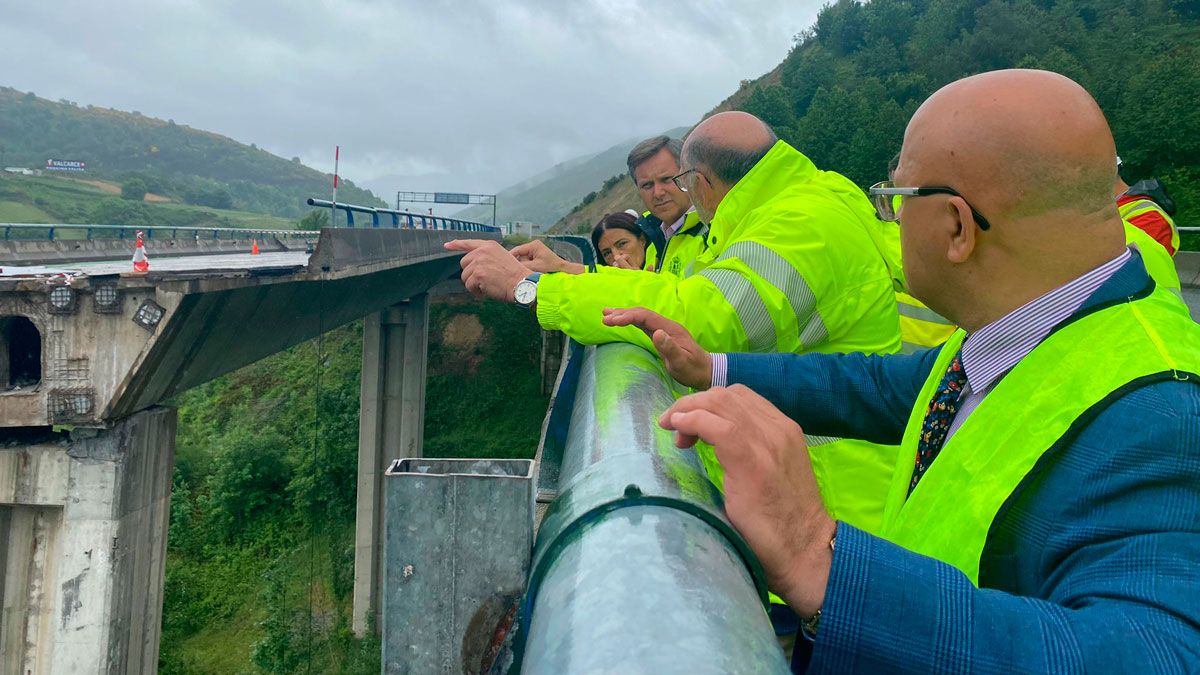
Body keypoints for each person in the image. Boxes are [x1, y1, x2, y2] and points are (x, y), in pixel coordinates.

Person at [610, 69, 1200, 672]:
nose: (887, 217)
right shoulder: (1030, 327)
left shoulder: (1163, 414)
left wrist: (826, 561)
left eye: (894, 199)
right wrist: (712, 367)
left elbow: (1157, 656)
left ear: (956, 227)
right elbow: (881, 387)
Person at [447, 111, 902, 535]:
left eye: (676, 180)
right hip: (811, 497)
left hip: (837, 514)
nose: (665, 191)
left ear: (700, 182)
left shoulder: (802, 225)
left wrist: (531, 288)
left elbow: (694, 317)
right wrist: (571, 273)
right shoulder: (787, 206)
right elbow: (682, 286)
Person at [624, 135, 709, 277]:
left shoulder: (713, 230)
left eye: (666, 179)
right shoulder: (653, 244)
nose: (658, 193)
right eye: (647, 185)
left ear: (688, 173)